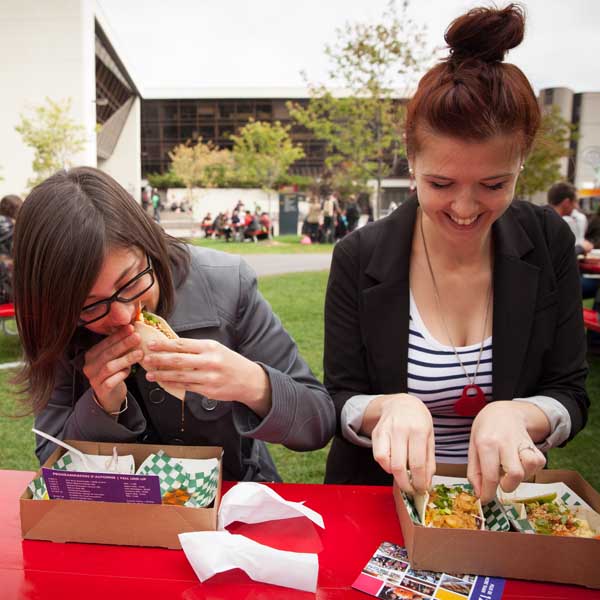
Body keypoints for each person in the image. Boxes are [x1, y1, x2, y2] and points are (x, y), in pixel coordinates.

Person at [323, 5, 588, 503]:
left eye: (494, 184)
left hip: (503, 503)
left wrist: (520, 413)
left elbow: (570, 393)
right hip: (381, 501)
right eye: (440, 183)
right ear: (411, 160)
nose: (465, 209)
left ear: (522, 163)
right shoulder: (359, 255)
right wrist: (386, 407)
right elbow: (337, 398)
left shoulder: (549, 240)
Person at [13, 167, 335, 481]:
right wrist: (101, 406)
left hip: (235, 506)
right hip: (121, 518)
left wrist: (251, 382)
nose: (124, 316)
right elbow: (53, 464)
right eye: (90, 305)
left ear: (150, 247)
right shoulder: (58, 327)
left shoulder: (226, 284)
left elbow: (317, 423)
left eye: (130, 282)